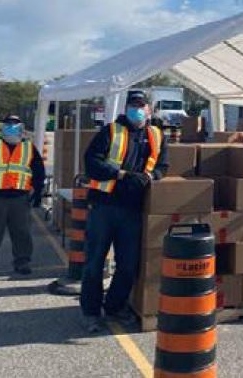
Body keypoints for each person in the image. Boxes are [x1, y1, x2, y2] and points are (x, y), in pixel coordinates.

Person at [79, 91, 168, 332]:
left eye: (141, 105)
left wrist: (151, 177)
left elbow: (163, 166)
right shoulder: (110, 131)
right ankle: (90, 311)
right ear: (126, 108)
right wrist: (119, 174)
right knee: (95, 262)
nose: (137, 110)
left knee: (128, 264)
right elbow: (92, 162)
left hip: (133, 208)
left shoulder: (157, 135)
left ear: (149, 109)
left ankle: (115, 307)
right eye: (133, 105)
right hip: (104, 205)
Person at [0, 115, 45, 276]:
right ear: (3, 127)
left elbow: (39, 173)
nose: (11, 126)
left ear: (21, 127)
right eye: (8, 123)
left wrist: (38, 193)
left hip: (19, 198)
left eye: (14, 124)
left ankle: (22, 262)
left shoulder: (29, 148)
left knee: (21, 232)